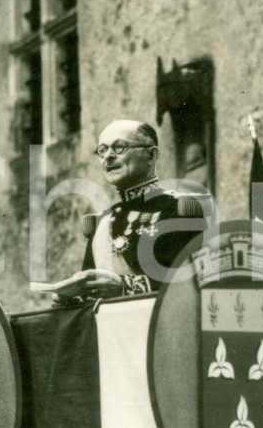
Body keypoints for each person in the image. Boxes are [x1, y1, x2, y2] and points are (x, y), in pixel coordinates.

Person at [56, 120, 206, 300]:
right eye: (102, 150)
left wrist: (125, 287)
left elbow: (193, 280)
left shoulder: (178, 208)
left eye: (119, 147)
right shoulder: (101, 222)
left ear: (151, 156)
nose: (108, 157)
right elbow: (91, 293)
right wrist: (72, 297)